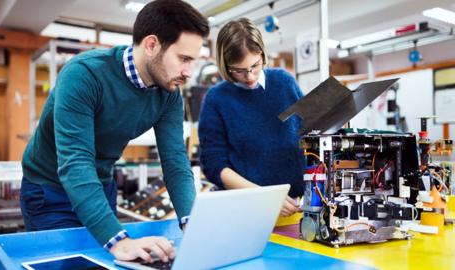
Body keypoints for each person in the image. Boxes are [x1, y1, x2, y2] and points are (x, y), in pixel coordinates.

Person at [20, 0, 209, 263]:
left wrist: (191, 223)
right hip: (50, 190)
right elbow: (76, 163)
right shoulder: (85, 75)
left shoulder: (168, 94)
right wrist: (119, 242)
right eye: (184, 59)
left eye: (193, 61)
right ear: (152, 45)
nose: (189, 72)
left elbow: (176, 161)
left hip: (100, 187)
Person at [198, 18, 305, 217]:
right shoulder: (217, 99)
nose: (250, 77)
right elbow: (214, 164)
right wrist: (265, 196)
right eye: (238, 70)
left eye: (255, 65)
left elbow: (311, 135)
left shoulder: (284, 82)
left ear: (263, 54)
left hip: (297, 207)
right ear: (225, 65)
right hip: (247, 211)